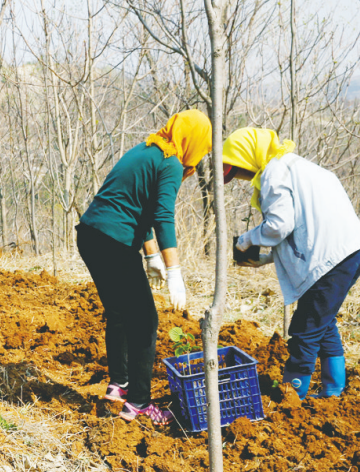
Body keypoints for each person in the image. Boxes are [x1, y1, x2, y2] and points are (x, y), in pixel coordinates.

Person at [77, 110, 212, 425]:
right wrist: (174, 271)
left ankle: (118, 385)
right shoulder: (171, 163)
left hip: (89, 236)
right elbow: (163, 215)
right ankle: (139, 402)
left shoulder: (147, 150)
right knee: (146, 321)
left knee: (119, 313)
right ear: (195, 141)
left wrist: (151, 255)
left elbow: (142, 207)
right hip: (114, 243)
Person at [224, 128, 360, 399]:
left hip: (330, 259)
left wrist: (246, 240)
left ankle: (291, 400)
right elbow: (307, 228)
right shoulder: (296, 167)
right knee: (323, 322)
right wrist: (265, 259)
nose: (243, 178)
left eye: (239, 171)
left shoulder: (275, 173)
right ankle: (333, 391)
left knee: (305, 330)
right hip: (345, 251)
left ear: (246, 157)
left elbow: (279, 226)